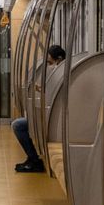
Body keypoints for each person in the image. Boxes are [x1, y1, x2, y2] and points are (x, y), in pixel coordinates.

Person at [13, 44, 66, 172]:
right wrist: (41, 89)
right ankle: (32, 159)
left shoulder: (63, 74)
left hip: (56, 120)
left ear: (59, 59)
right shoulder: (60, 73)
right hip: (53, 115)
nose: (49, 65)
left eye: (50, 62)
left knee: (18, 125)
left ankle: (34, 160)